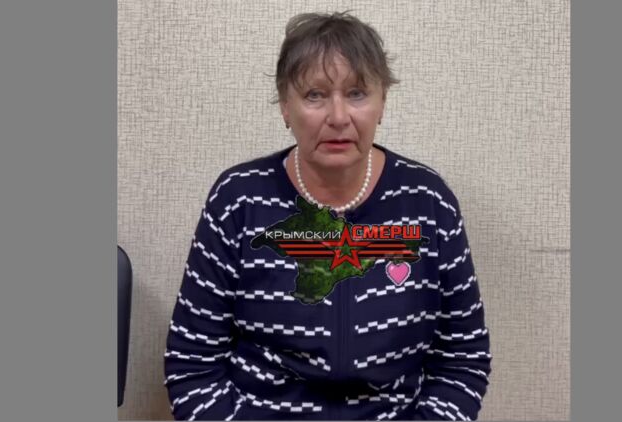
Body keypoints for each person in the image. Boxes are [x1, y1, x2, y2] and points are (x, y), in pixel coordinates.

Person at [164, 11, 491, 420]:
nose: (338, 117)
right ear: (285, 106)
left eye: (356, 93)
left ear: (382, 103)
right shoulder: (238, 199)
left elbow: (462, 359)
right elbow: (192, 365)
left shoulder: (428, 202)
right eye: (315, 95)